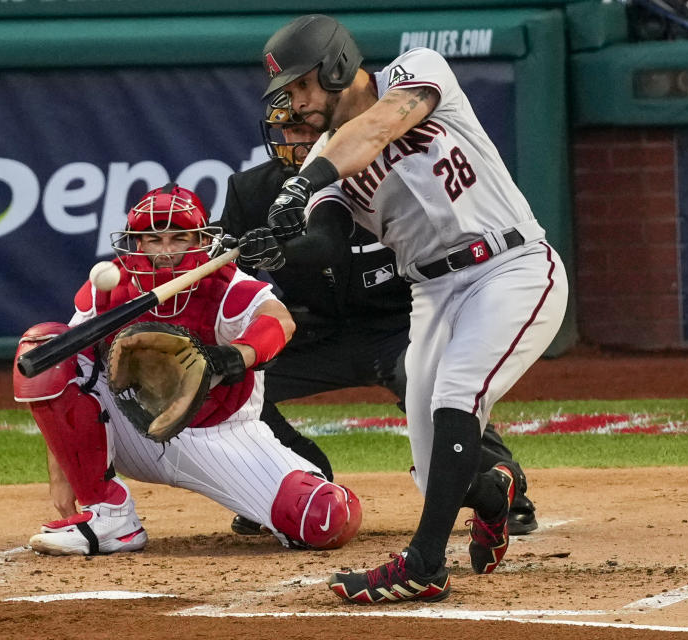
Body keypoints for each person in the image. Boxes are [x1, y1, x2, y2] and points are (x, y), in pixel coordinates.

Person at [237, 15, 568, 603]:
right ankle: (496, 493)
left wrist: (302, 180)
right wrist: (280, 250)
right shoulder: (324, 164)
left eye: (302, 86)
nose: (296, 102)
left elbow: (377, 127)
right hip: (435, 294)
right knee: (434, 469)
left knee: (457, 393)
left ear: (337, 65)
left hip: (508, 265)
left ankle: (424, 564)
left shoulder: (415, 71)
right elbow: (328, 245)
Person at [221, 91, 539, 538]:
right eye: (290, 130)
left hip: (401, 325)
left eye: (309, 130)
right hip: (314, 334)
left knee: (435, 384)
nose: (299, 140)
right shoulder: (251, 192)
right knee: (232, 378)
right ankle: (295, 477)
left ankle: (502, 484)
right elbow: (227, 285)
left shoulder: (391, 177)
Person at [12, 183, 362, 555]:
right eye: (153, 239)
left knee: (325, 518)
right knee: (45, 346)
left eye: (179, 238)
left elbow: (279, 321)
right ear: (137, 242)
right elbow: (64, 374)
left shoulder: (227, 284)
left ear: (200, 238)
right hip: (134, 430)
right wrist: (63, 474)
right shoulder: (108, 288)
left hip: (219, 434)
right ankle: (109, 515)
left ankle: (266, 503)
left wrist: (235, 355)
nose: (165, 252)